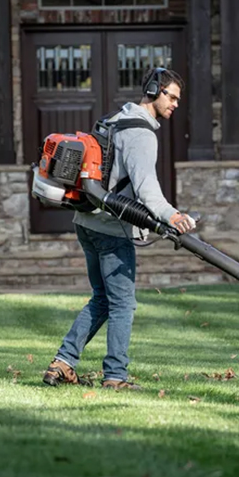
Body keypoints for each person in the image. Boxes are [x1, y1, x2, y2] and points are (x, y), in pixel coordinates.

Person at [42, 67, 196, 391]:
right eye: (172, 96)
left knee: (101, 298)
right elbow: (146, 189)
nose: (176, 104)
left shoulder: (113, 119)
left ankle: (62, 363)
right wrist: (172, 216)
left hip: (85, 222)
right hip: (112, 230)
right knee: (123, 304)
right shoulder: (141, 134)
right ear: (154, 91)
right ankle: (115, 377)